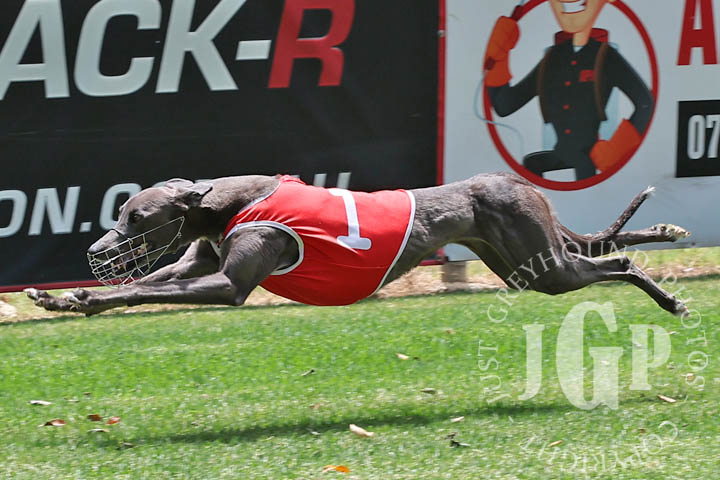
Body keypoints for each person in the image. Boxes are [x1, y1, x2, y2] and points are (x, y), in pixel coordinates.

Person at [485, 0, 654, 180]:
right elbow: (505, 105)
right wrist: (499, 57)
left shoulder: (605, 56)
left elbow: (645, 103)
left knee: (585, 177)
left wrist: (616, 149)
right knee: (532, 163)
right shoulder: (552, 58)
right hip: (560, 152)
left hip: (589, 156)